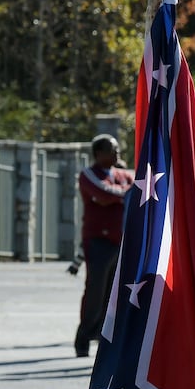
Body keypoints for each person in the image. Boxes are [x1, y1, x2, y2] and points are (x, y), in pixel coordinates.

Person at [75, 134, 134, 357]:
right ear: (98, 153)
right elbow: (102, 193)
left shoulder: (121, 175)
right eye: (112, 149)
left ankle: (103, 336)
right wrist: (122, 194)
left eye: (117, 149)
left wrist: (119, 195)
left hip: (120, 241)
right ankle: (83, 337)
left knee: (113, 294)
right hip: (99, 241)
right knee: (95, 292)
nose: (117, 154)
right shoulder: (88, 174)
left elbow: (132, 192)